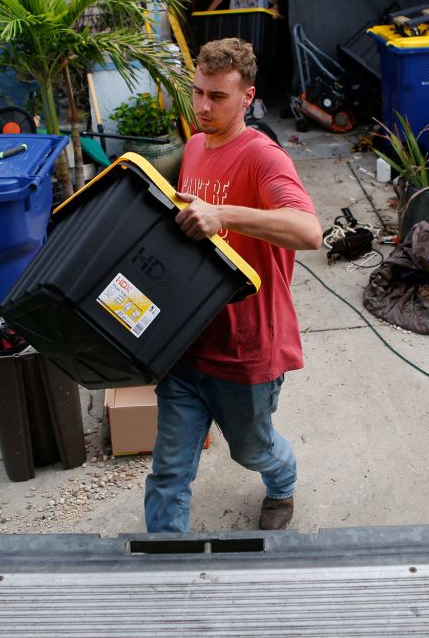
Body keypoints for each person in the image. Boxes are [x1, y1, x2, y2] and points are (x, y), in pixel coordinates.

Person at [144, 37, 322, 533]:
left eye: (217, 97)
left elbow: (309, 230)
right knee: (168, 472)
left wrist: (224, 215)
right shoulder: (197, 146)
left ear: (247, 97)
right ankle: (165, 573)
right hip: (186, 344)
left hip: (246, 352)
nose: (202, 106)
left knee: (252, 449)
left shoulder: (263, 158)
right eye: (198, 92)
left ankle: (282, 481)